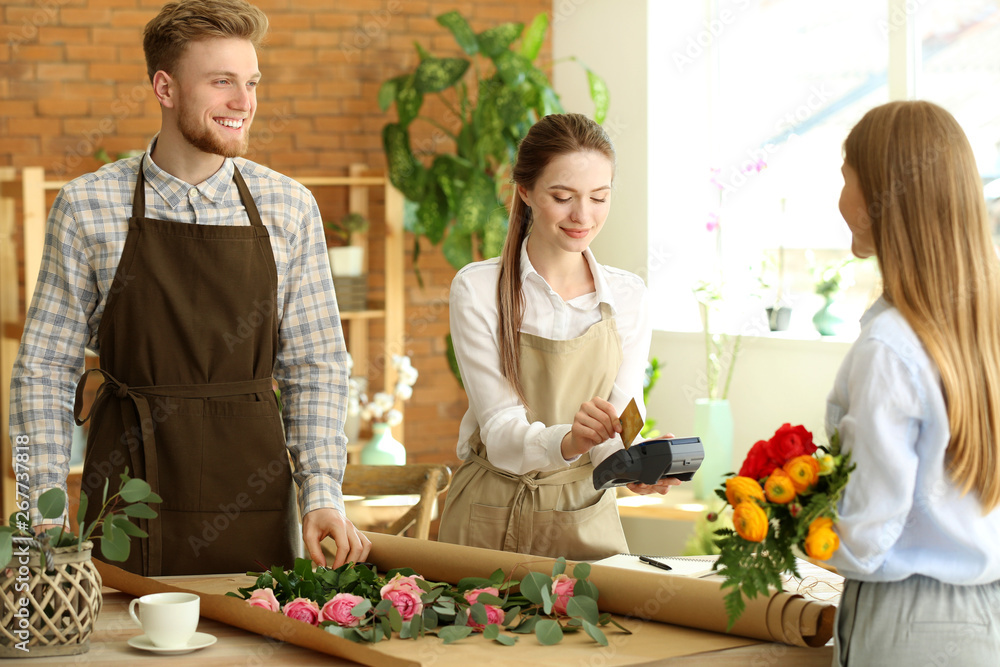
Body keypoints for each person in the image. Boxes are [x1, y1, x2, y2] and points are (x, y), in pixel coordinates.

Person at [9, 0, 370, 576]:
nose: (244, 102)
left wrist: (322, 494)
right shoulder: (88, 205)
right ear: (165, 87)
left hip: (252, 490)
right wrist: (40, 510)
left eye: (251, 82)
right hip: (125, 495)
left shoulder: (289, 207)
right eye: (222, 81)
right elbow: (45, 370)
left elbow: (317, 365)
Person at [438, 113, 678, 561]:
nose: (582, 216)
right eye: (563, 197)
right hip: (489, 515)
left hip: (585, 514)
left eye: (599, 197)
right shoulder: (477, 289)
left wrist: (635, 466)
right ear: (525, 192)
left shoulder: (627, 296)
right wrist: (570, 440)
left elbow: (618, 422)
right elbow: (502, 433)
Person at [827, 100, 1000, 665]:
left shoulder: (890, 347)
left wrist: (789, 524)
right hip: (984, 616)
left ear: (881, 198)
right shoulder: (983, 329)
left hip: (907, 622)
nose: (840, 200)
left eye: (845, 178)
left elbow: (867, 538)